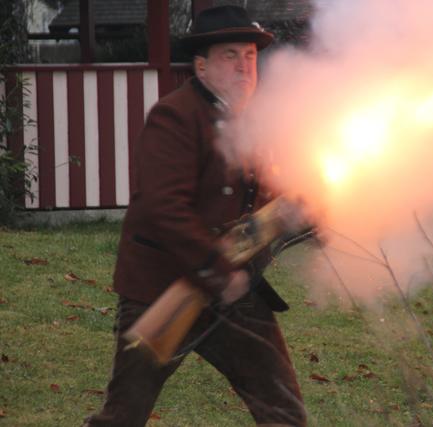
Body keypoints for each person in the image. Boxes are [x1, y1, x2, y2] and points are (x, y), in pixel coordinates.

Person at [83, 6, 306, 427]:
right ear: (201, 67)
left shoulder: (256, 119)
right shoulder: (173, 116)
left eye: (250, 56)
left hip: (234, 292)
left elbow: (267, 192)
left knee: (284, 415)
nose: (244, 67)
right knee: (122, 418)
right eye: (230, 56)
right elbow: (163, 208)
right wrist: (216, 267)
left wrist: (304, 207)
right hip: (165, 288)